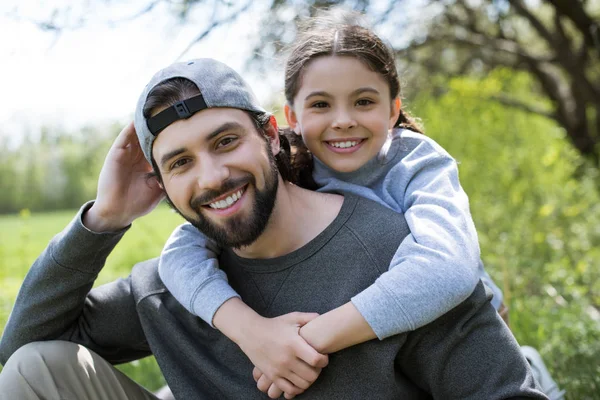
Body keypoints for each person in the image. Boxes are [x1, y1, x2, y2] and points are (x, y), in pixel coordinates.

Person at [0, 58, 546, 400]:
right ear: (162, 185)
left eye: (224, 142)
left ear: (270, 133)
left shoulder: (401, 258)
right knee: (36, 369)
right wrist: (104, 220)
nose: (212, 177)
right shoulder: (173, 284)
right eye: (180, 163)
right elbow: (20, 353)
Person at [158, 10, 507, 398]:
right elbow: (178, 254)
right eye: (321, 105)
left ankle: (532, 364)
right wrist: (253, 333)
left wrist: (306, 341)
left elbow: (447, 268)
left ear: (392, 110)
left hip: (459, 323)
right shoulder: (281, 161)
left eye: (363, 101)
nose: (342, 120)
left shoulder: (417, 163)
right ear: (292, 117)